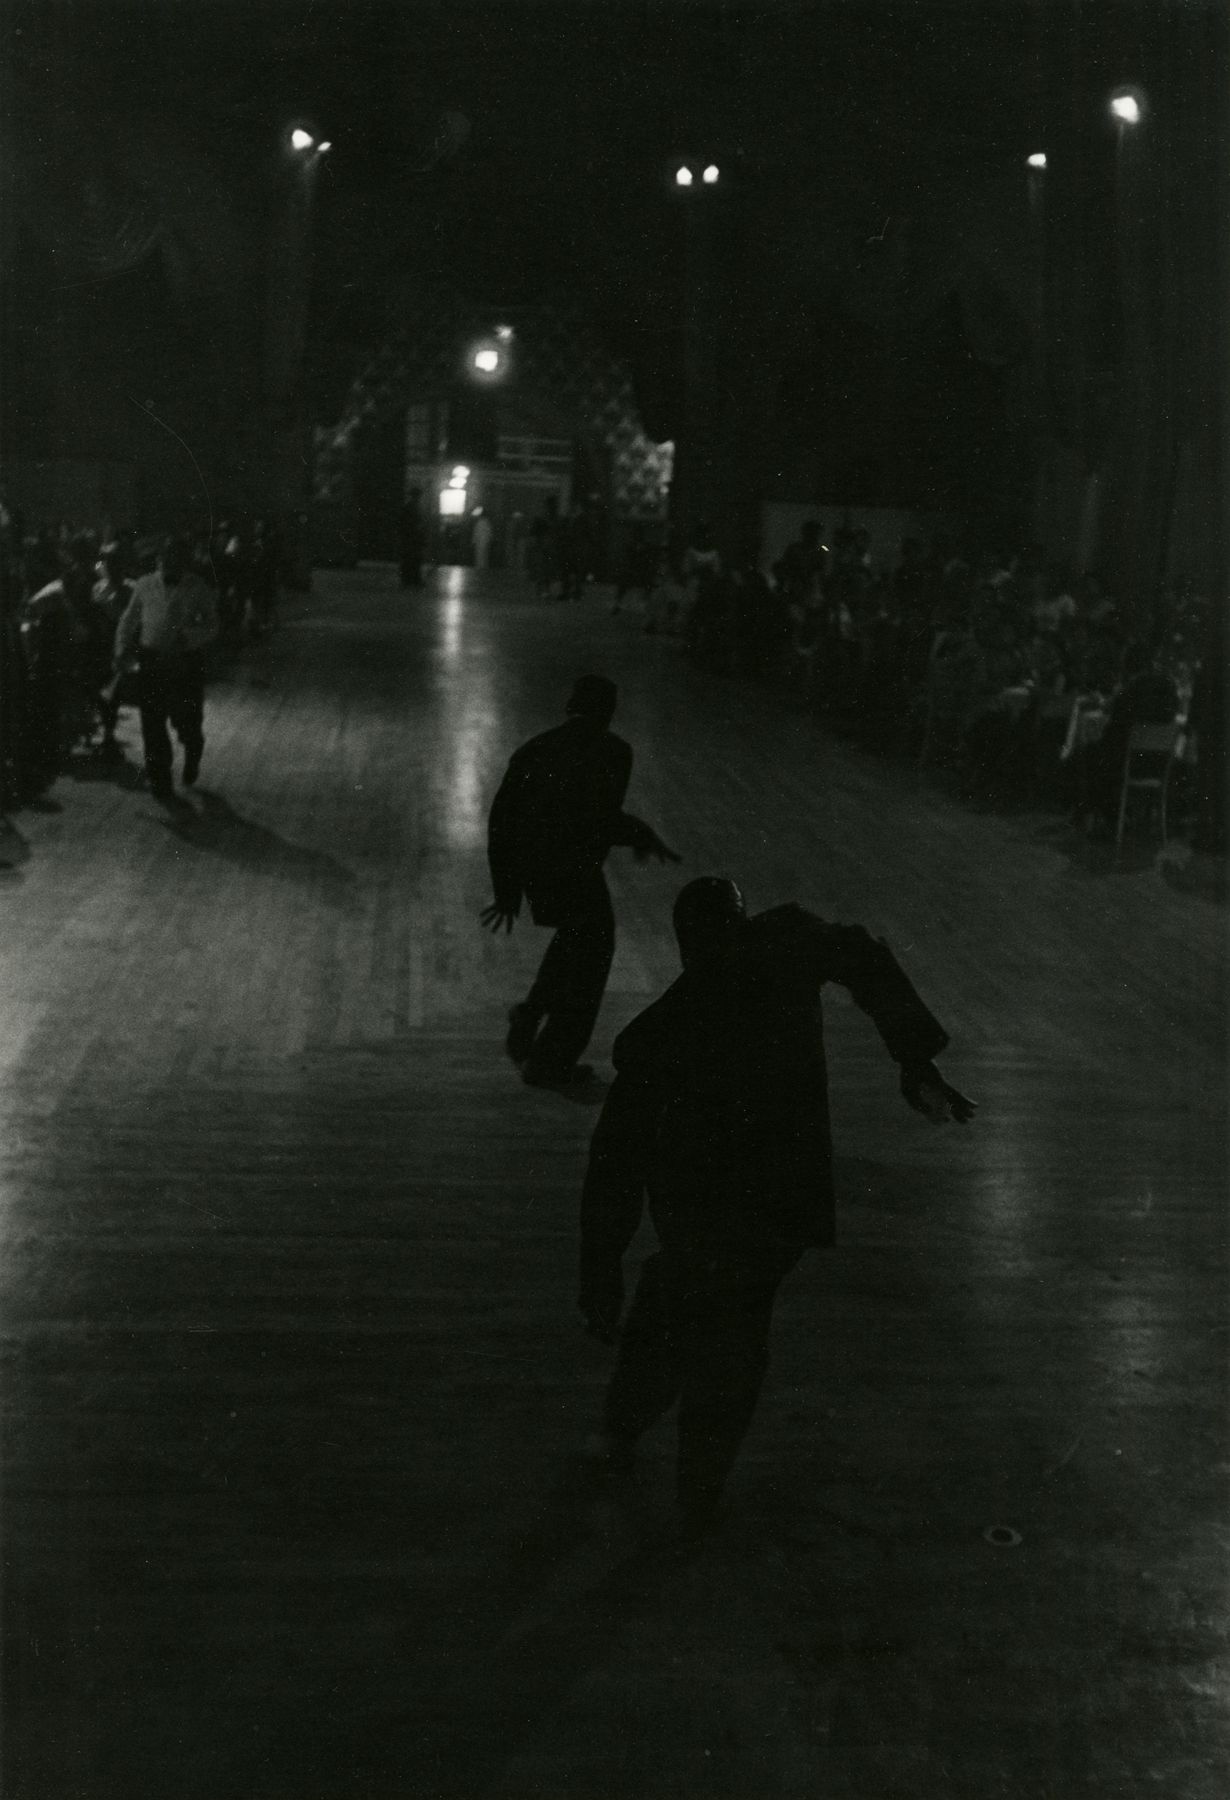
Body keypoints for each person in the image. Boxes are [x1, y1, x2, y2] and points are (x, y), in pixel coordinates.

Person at [577, 876, 975, 1536]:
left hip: (705, 1216)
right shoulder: (784, 946)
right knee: (729, 1340)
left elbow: (613, 1169)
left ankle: (634, 1443)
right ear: (744, 919)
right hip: (775, 1210)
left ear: (683, 948)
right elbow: (862, 956)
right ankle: (691, 1491)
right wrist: (916, 1062)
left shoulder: (658, 1038)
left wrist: (598, 1271)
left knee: (676, 1315)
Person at [481, 675, 680, 1088]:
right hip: (575, 870)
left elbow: (502, 821)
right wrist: (642, 835)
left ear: (570, 705)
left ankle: (530, 1016)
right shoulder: (614, 752)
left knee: (575, 941)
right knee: (590, 961)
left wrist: (507, 891)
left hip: (539, 870)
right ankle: (549, 1062)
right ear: (610, 711)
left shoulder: (534, 750)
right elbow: (600, 817)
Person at [114, 536, 220, 802]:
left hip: (185, 661)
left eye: (176, 558)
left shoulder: (198, 587)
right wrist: (121, 649)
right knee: (153, 721)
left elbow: (212, 624)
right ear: (159, 559)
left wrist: (191, 637)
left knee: (187, 719)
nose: (170, 563)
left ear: (184, 562)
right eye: (166, 557)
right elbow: (128, 619)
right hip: (152, 660)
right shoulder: (145, 584)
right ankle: (160, 779)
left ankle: (193, 749)